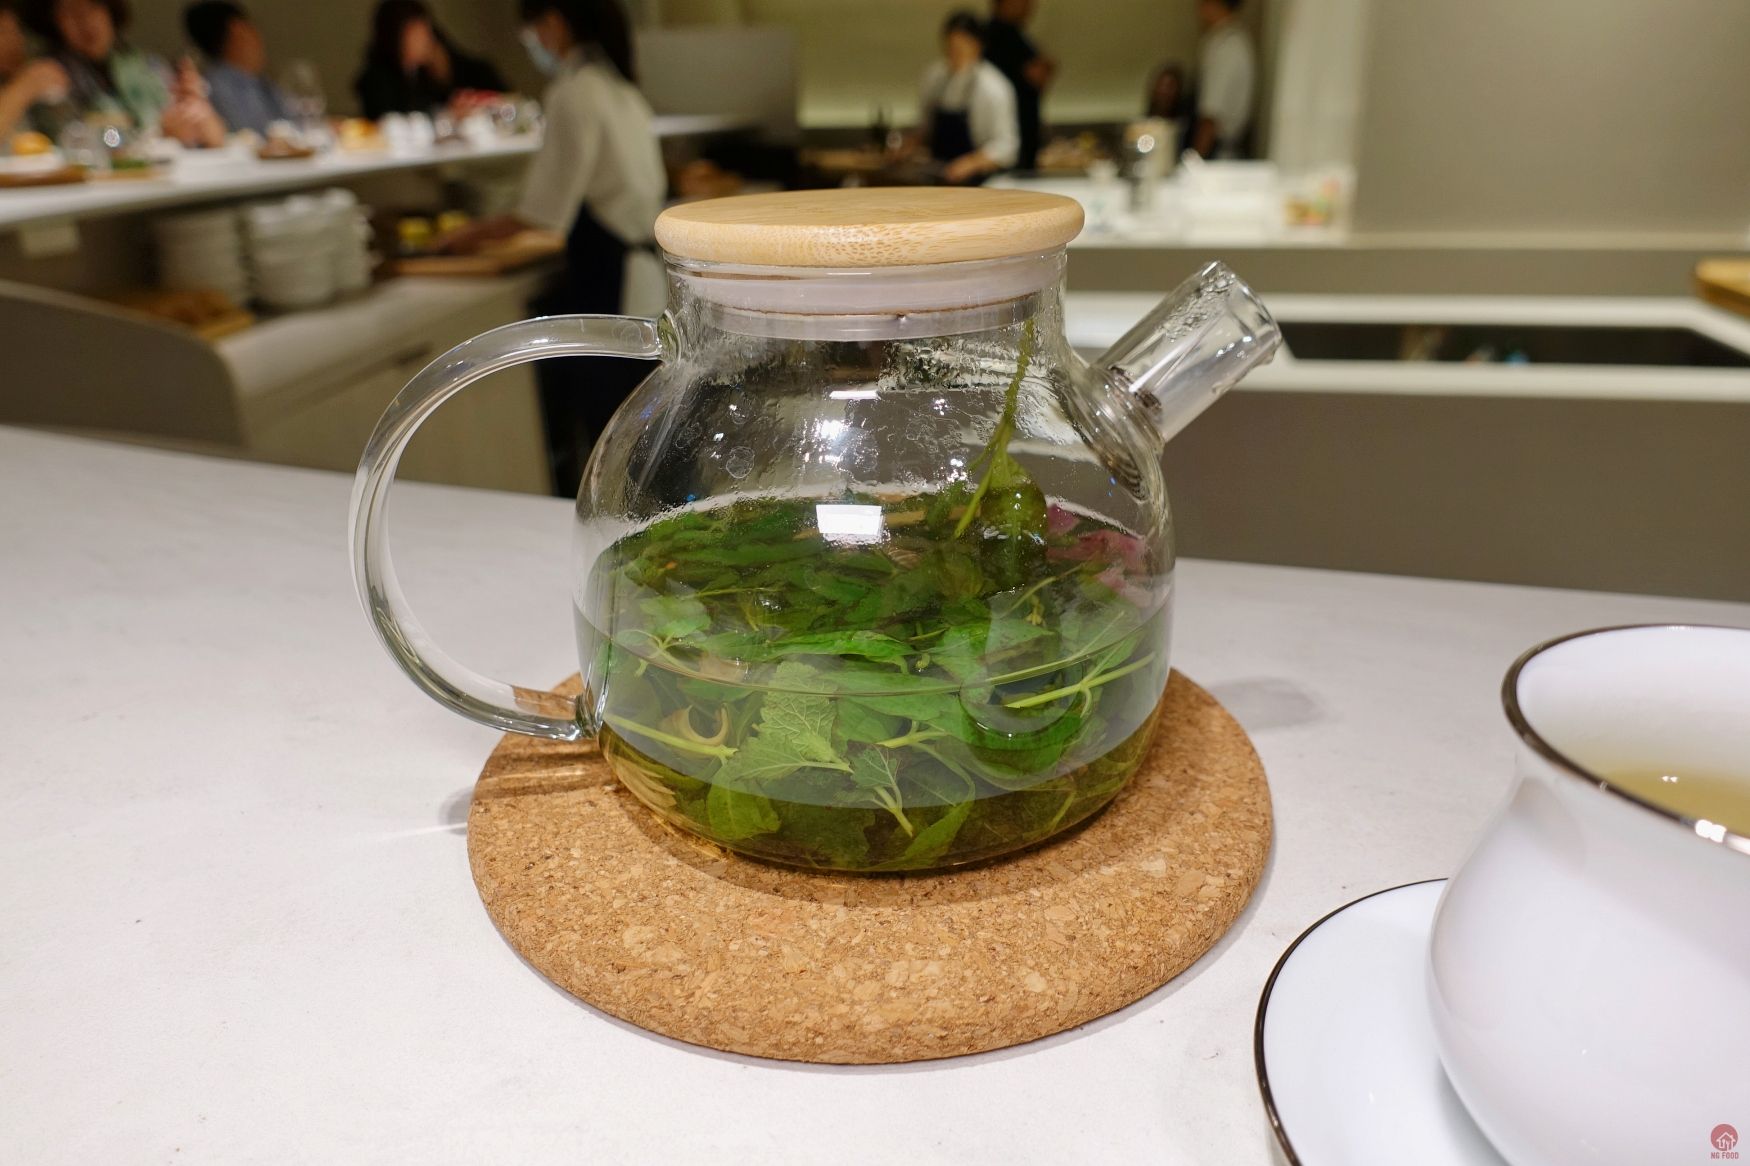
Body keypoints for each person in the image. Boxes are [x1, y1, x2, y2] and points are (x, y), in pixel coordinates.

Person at [442, 0, 662, 496]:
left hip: (611, 279)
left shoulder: (574, 92)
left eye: (532, 30)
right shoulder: (622, 89)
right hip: (641, 276)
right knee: (643, 431)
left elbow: (542, 213)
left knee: (613, 433)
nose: (532, 42)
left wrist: (462, 237)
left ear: (554, 23)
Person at [24, 0, 223, 146]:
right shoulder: (49, 77)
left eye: (93, 6)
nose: (84, 21)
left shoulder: (149, 66)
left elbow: (207, 132)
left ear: (110, 10)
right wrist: (159, 134)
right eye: (69, 12)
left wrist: (196, 113)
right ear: (54, 23)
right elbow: (73, 141)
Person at [912, 10, 1017, 185]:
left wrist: (970, 163)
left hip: (981, 183)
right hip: (938, 175)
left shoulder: (994, 86)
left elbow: (1007, 146)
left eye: (961, 47)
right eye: (950, 47)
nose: (955, 53)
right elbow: (925, 128)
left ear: (978, 46)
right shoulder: (934, 77)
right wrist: (910, 145)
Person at [354, 0, 505, 120]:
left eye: (425, 31)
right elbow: (390, 119)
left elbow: (490, 84)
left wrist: (445, 72)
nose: (424, 40)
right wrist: (445, 114)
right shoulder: (376, 80)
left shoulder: (436, 64)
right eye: (413, 34)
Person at [182, 1, 291, 135]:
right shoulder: (216, 87)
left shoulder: (258, 82)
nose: (259, 36)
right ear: (237, 29)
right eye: (251, 27)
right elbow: (253, 136)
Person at [981, 0, 1052, 172]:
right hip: (1013, 136)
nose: (1029, 6)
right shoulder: (1004, 34)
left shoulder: (997, 33)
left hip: (1008, 137)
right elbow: (1037, 74)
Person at [1192, 0, 1255, 159]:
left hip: (1218, 152)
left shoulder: (1227, 47)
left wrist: (1196, 158)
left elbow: (1212, 115)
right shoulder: (1227, 40)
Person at [0, 0, 68, 139]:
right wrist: (23, 88)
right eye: (2, 33)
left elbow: (66, 130)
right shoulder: (24, 82)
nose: (15, 41)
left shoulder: (33, 59)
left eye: (15, 30)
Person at [1143, 60, 1195, 154]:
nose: (1164, 92)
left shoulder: (1187, 126)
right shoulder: (1144, 124)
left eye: (1170, 86)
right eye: (1161, 86)